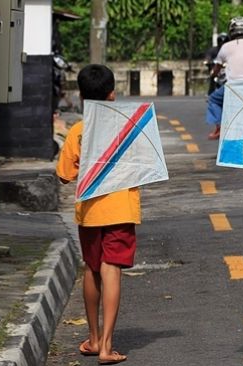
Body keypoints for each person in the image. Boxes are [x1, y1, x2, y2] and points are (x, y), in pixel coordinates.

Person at [56, 64, 140, 365]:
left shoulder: (78, 132)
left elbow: (64, 175)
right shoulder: (130, 127)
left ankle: (92, 339)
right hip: (121, 209)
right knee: (112, 269)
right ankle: (107, 346)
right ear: (112, 95)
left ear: (81, 97)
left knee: (92, 269)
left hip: (90, 212)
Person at [205, 17, 243, 140]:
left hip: (233, 88)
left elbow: (217, 68)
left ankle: (219, 127)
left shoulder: (225, 47)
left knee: (213, 99)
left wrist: (212, 75)